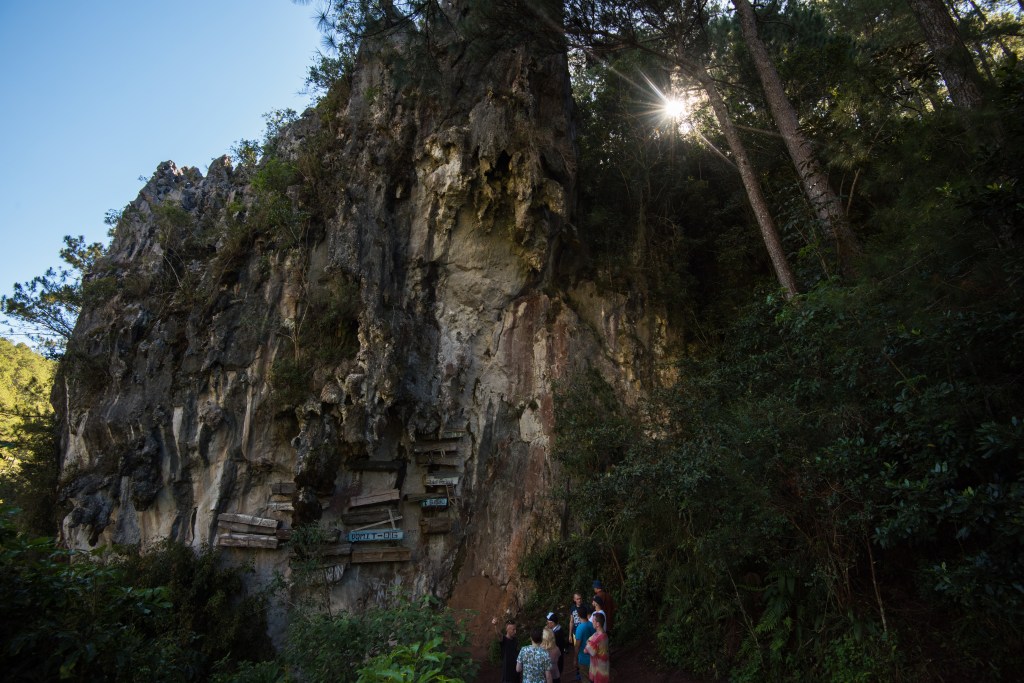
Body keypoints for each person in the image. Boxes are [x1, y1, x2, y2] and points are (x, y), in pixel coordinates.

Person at [584, 612, 610, 683]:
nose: (592, 622)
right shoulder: (603, 634)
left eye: (593, 621)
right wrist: (589, 643)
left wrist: (588, 642)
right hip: (602, 669)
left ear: (598, 624)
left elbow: (586, 650)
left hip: (599, 672)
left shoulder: (597, 638)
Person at [493, 616, 520, 683]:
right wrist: (496, 625)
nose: (515, 631)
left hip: (516, 673)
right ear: (507, 629)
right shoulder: (504, 640)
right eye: (513, 630)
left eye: (515, 629)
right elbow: (498, 634)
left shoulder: (515, 640)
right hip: (507, 674)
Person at [574, 604, 595, 682]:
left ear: (579, 615)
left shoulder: (580, 628)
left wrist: (575, 659)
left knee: (586, 679)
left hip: (584, 659)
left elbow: (577, 645)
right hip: (594, 657)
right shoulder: (593, 624)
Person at [546, 611, 569, 677]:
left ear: (552, 623)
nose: (547, 623)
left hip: (556, 659)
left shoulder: (556, 634)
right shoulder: (558, 629)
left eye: (548, 622)